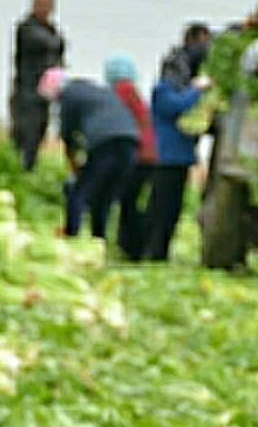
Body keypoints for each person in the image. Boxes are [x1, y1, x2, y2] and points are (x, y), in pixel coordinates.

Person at [38, 67, 139, 239]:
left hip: (105, 142)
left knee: (79, 191)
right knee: (104, 195)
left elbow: (68, 132)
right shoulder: (93, 89)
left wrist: (73, 164)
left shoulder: (68, 95)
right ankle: (99, 238)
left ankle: (71, 233)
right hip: (130, 140)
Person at [142, 25, 212, 262]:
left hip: (180, 158)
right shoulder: (163, 90)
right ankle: (151, 251)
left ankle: (160, 251)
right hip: (165, 157)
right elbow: (176, 107)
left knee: (172, 209)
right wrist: (197, 89)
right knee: (160, 208)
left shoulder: (181, 89)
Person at [104, 55, 157, 260]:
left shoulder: (122, 91)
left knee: (128, 201)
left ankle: (132, 247)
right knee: (132, 201)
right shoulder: (134, 92)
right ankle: (131, 245)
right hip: (149, 153)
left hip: (138, 154)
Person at [11, 0, 65, 171]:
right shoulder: (27, 28)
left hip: (45, 93)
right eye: (42, 5)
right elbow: (49, 43)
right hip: (27, 92)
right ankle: (21, 169)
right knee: (26, 134)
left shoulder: (51, 29)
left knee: (40, 132)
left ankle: (31, 168)